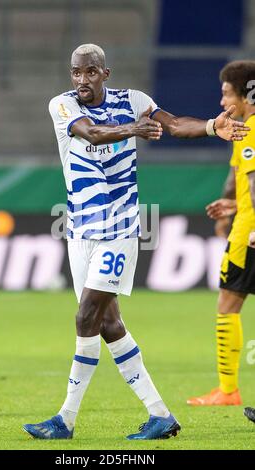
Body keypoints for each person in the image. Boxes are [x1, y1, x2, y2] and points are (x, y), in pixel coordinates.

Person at [23, 45, 249, 440]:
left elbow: (176, 124)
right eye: (76, 73)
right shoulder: (62, 105)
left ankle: (65, 419)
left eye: (90, 73)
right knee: (109, 324)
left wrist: (213, 126)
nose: (81, 81)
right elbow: (91, 133)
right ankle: (160, 415)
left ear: (105, 74)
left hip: (120, 230)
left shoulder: (134, 101)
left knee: (85, 317)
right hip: (79, 231)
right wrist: (133, 130)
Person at [187, 60, 255, 407]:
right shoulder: (243, 128)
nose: (221, 102)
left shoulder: (251, 128)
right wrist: (229, 206)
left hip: (249, 233)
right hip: (243, 219)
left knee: (228, 303)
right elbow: (237, 177)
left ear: (247, 93)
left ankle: (228, 390)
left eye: (227, 93)